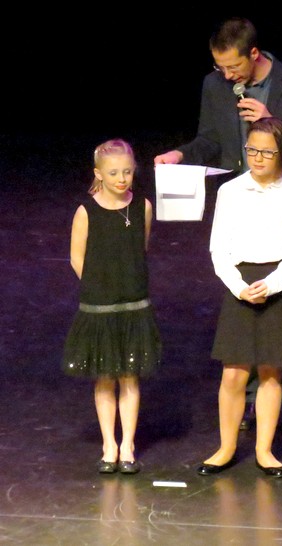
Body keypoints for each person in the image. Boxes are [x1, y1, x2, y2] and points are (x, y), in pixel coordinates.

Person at [154, 16, 282, 438]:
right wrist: (181, 154)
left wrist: (274, 122)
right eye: (221, 68)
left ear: (254, 54)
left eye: (233, 67)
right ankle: (253, 401)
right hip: (242, 198)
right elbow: (210, 139)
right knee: (246, 304)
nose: (227, 75)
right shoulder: (214, 86)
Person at [196, 117, 282, 478]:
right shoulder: (231, 191)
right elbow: (219, 248)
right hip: (241, 284)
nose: (258, 157)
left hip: (279, 283)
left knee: (270, 370)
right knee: (233, 374)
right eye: (252, 150)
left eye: (267, 151)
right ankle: (226, 447)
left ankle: (265, 450)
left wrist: (274, 283)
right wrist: (238, 286)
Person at [63, 139, 162, 475]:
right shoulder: (86, 210)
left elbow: (141, 247)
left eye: (127, 172)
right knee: (105, 377)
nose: (122, 178)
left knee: (129, 377)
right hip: (100, 304)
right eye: (114, 173)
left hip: (133, 302)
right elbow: (78, 256)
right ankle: (109, 444)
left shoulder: (142, 207)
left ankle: (128, 444)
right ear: (98, 174)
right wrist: (96, 285)